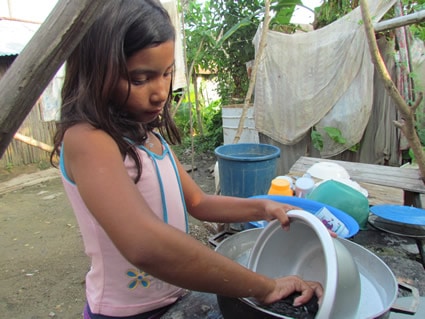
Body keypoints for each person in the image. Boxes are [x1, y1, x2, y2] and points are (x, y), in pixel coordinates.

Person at [50, 1, 323, 318]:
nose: (160, 93)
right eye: (140, 79)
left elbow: (199, 202)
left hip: (174, 300)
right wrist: (265, 286)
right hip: (125, 313)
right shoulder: (88, 139)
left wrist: (263, 207)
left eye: (166, 74)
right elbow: (146, 245)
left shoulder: (150, 138)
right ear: (95, 71)